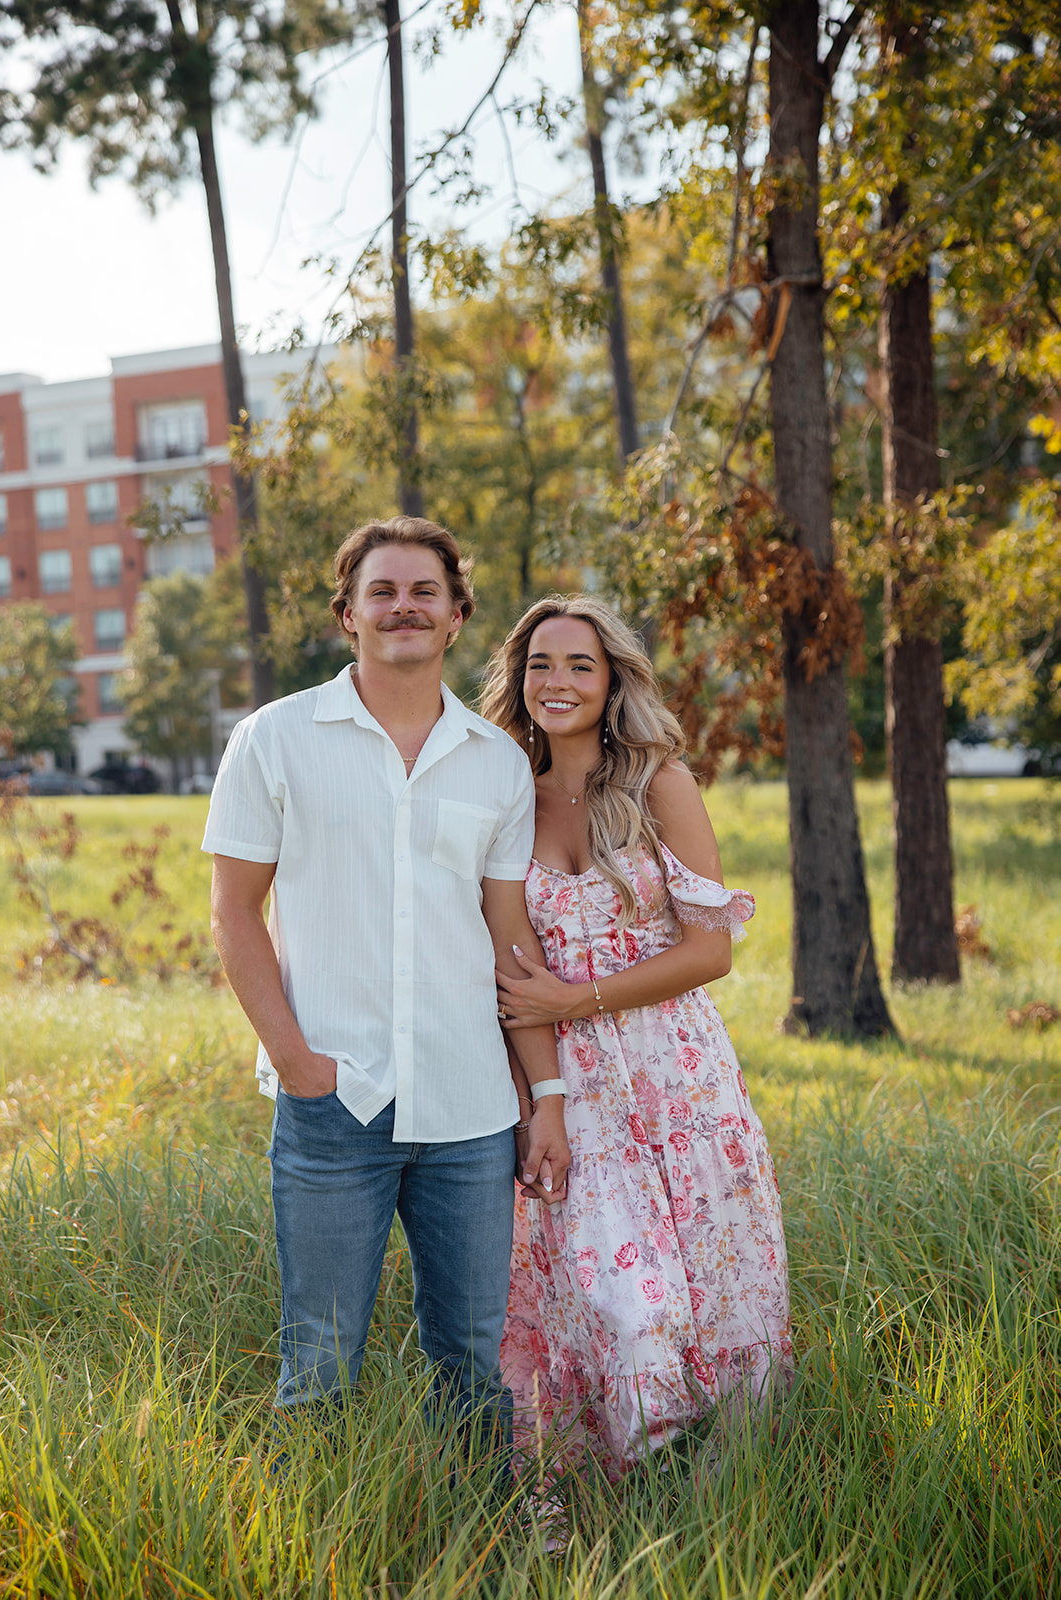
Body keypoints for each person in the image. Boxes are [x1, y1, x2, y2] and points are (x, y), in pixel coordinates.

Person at [202, 516, 570, 1454]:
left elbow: (509, 938)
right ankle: (319, 1552)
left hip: (471, 1109)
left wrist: (546, 1096)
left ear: (456, 617)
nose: (402, 607)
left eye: (422, 592)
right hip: (333, 1100)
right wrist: (296, 1060)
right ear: (347, 616)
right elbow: (235, 913)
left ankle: (484, 1545)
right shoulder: (273, 740)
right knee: (318, 1364)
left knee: (471, 1363)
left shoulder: (496, 764)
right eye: (381, 591)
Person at [480, 595, 792, 1481]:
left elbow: (710, 951)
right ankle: (602, 1482)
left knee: (711, 1285)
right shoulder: (505, 799)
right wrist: (544, 1099)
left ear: (613, 678)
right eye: (541, 663)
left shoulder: (661, 785)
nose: (558, 681)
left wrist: (579, 1000)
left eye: (580, 664)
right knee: (618, 1298)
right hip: (569, 1090)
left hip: (680, 1078)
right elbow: (515, 979)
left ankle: (720, 1490)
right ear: (518, 677)